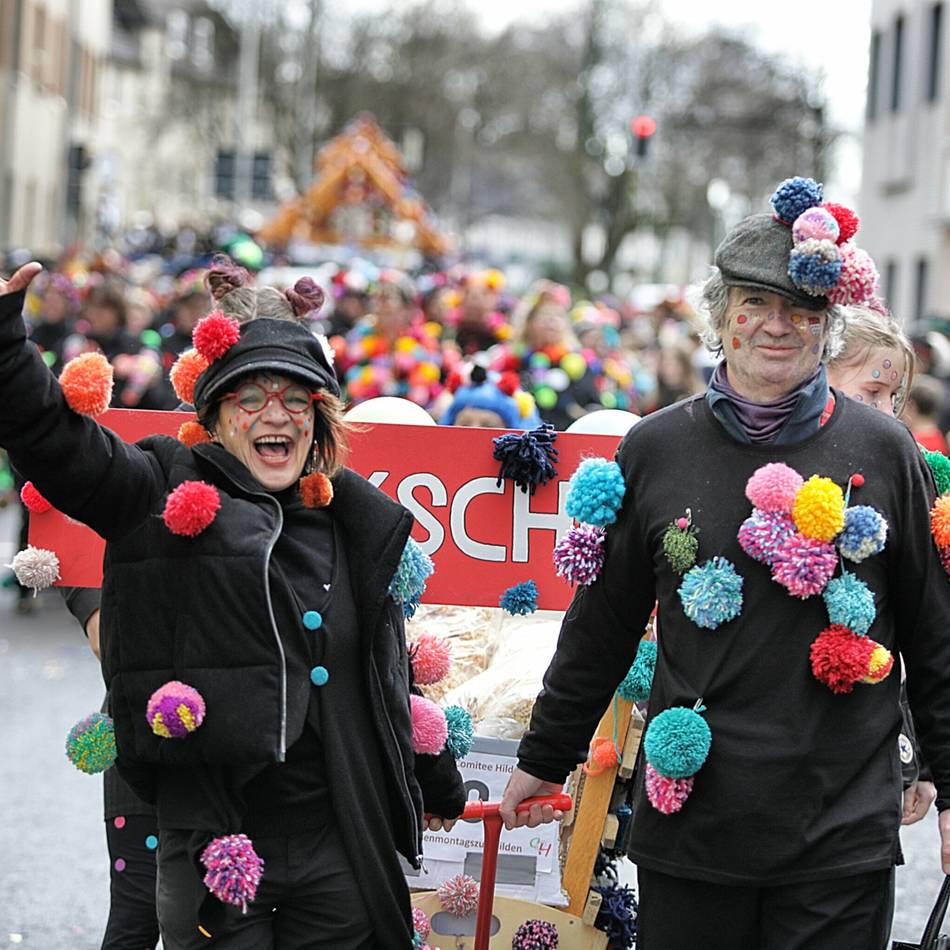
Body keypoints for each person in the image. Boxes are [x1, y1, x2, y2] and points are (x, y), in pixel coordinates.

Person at [500, 178, 950, 948]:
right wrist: (546, 753)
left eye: (801, 310)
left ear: (827, 327)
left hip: (839, 829)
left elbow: (935, 634)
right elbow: (603, 622)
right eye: (755, 303)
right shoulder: (656, 448)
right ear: (719, 317)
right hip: (695, 827)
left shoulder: (885, 450)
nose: (777, 324)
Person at [0, 257, 465, 948]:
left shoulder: (355, 520)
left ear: (318, 418)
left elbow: (382, 671)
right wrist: (6, 347)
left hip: (338, 844)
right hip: (215, 845)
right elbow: (56, 445)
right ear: (216, 415)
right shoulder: (159, 490)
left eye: (296, 398)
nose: (276, 413)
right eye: (251, 397)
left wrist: (433, 776)